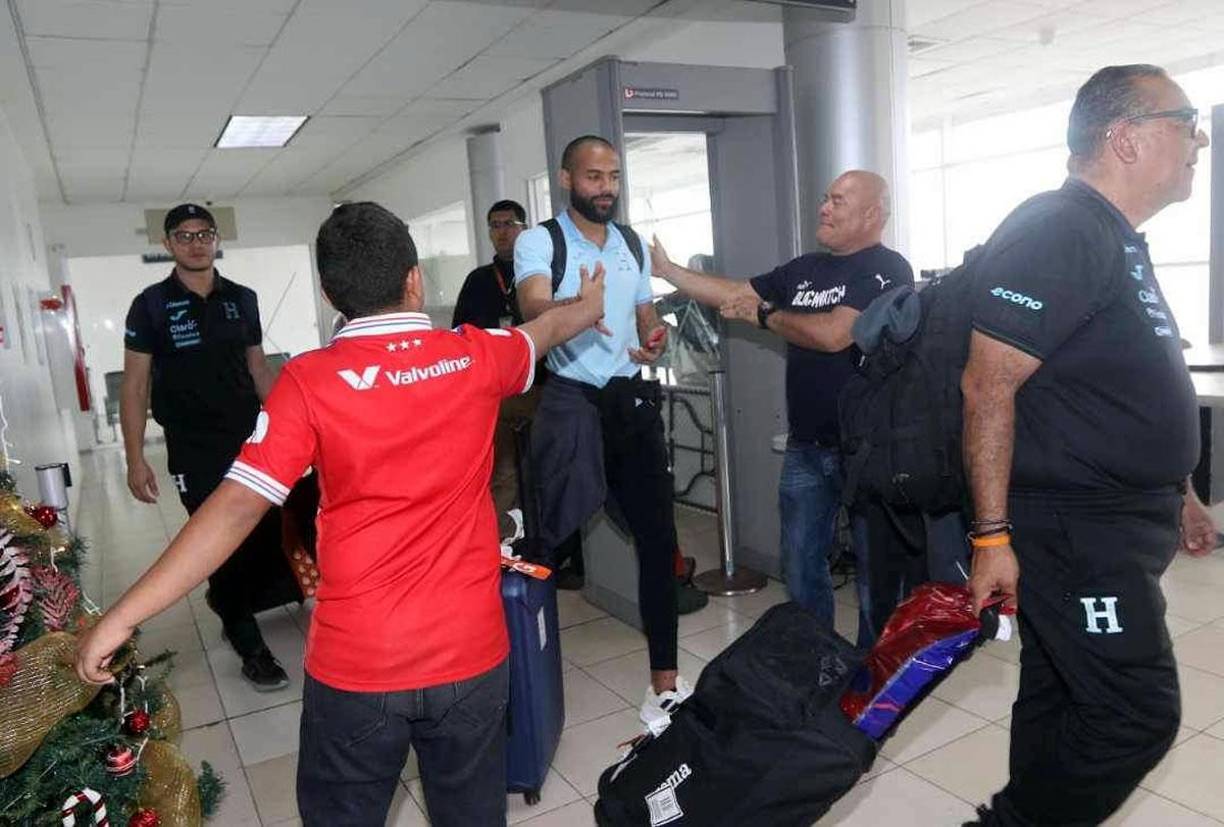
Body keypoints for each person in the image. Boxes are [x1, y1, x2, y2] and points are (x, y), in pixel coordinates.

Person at [78, 201, 607, 826]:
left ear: (330, 294)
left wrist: (121, 619)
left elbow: (236, 508)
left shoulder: (309, 382)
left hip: (360, 670)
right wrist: (590, 304)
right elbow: (545, 331)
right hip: (472, 657)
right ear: (414, 280)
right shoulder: (476, 354)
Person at [962, 65, 1216, 826]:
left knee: (1061, 690)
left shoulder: (1115, 237)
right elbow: (986, 386)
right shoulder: (1061, 228)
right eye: (1186, 121)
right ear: (1125, 138)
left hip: (1114, 520)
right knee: (1134, 714)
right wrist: (990, 535)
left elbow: (1117, 382)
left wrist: (1181, 491)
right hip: (1077, 528)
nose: (1201, 138)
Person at [651, 170, 913, 640]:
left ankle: (873, 670)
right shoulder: (804, 269)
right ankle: (814, 656)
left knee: (877, 577)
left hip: (868, 452)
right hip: (806, 446)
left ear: (872, 214)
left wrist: (766, 316)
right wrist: (670, 272)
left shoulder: (889, 269)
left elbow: (835, 334)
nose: (824, 208)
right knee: (800, 564)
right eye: (825, 198)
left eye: (837, 201)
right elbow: (736, 294)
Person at [515, 134, 707, 736]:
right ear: (567, 179)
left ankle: (665, 687)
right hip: (570, 401)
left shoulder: (628, 242)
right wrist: (580, 305)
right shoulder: (539, 241)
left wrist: (652, 338)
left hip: (629, 400)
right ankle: (522, 683)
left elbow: (645, 315)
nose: (606, 188)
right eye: (594, 177)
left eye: (614, 177)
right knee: (543, 546)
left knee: (658, 539)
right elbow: (532, 308)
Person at [120, 203, 288, 690]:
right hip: (192, 447)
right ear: (168, 244)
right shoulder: (150, 305)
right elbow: (135, 386)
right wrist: (135, 458)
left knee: (261, 533)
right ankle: (249, 645)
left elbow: (258, 369)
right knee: (218, 540)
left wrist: (289, 426)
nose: (196, 243)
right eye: (184, 235)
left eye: (204, 234)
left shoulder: (243, 299)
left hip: (249, 438)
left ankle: (227, 598)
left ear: (216, 240)